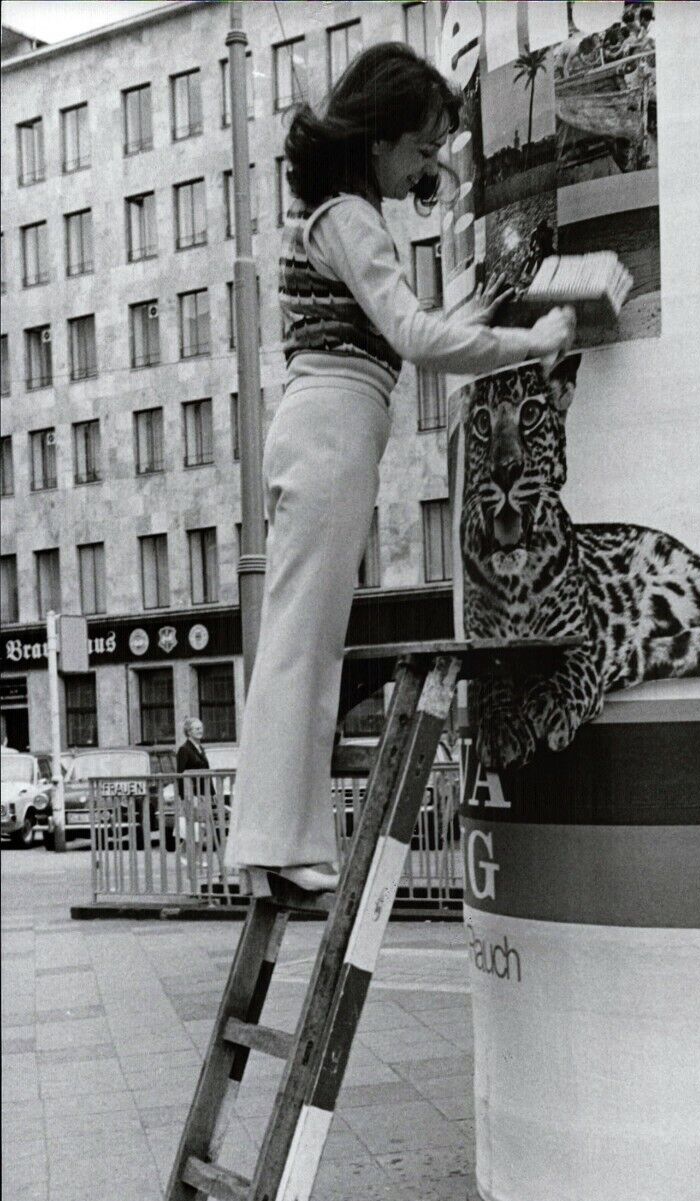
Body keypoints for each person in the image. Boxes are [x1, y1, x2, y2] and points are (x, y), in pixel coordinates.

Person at [224, 41, 576, 898]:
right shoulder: (348, 217)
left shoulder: (338, 215)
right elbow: (413, 336)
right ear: (375, 137)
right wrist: (527, 341)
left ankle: (278, 841)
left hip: (331, 421)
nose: (425, 164)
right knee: (304, 641)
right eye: (419, 146)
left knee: (302, 637)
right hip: (336, 421)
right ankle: (277, 842)